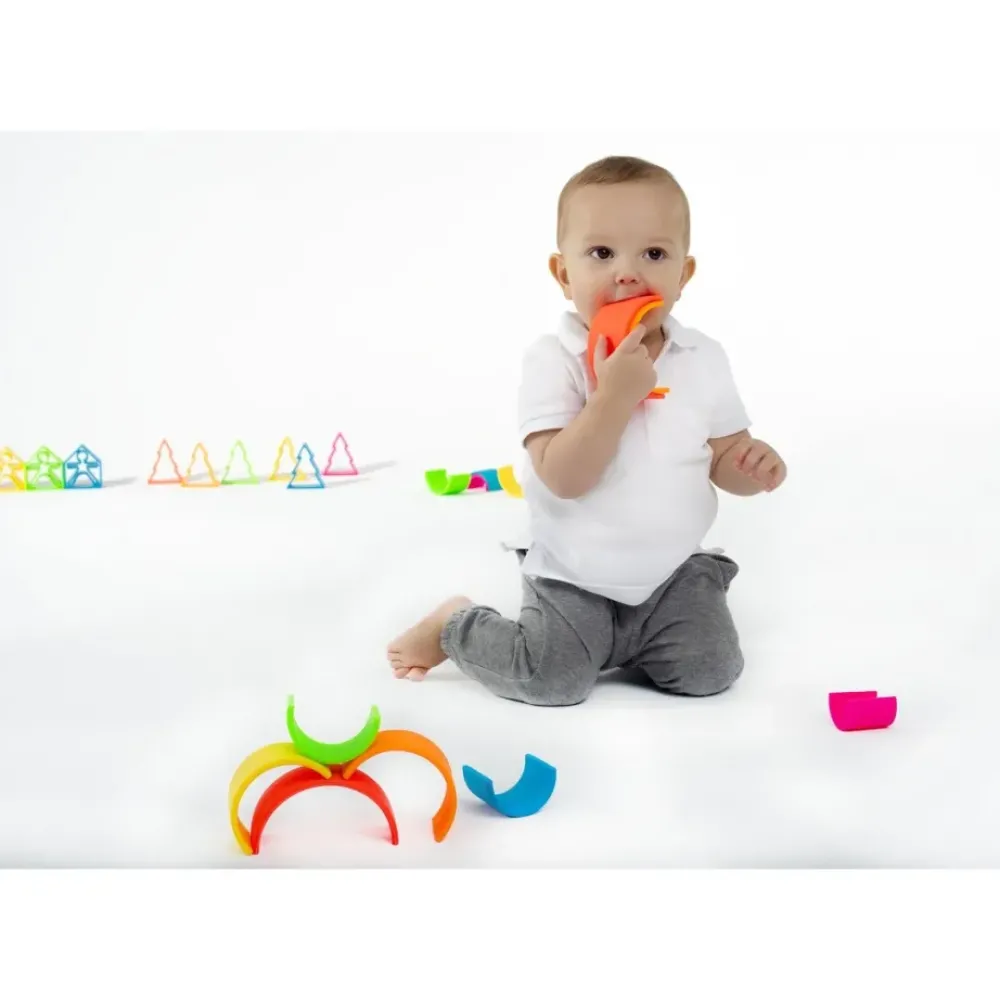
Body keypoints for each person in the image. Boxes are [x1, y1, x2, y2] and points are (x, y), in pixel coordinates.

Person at [388, 155, 787, 706]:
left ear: (684, 275)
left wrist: (751, 466)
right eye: (602, 253)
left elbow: (724, 458)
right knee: (551, 680)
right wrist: (614, 397)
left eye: (654, 254)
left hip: (670, 572)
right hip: (573, 574)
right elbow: (563, 478)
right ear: (563, 274)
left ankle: (658, 623)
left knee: (711, 672)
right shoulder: (554, 360)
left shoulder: (702, 357)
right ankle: (456, 626)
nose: (627, 272)